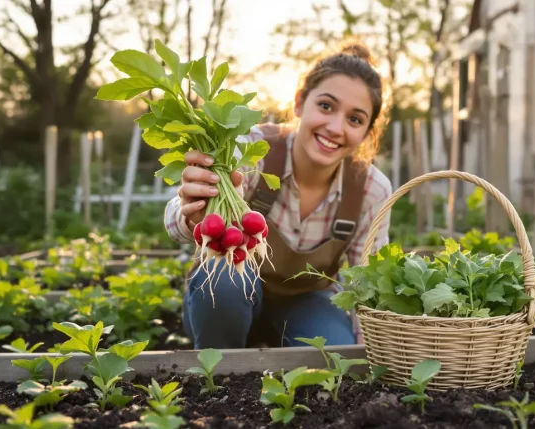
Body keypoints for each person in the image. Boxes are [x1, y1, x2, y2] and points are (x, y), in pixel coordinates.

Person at [164, 41, 393, 350]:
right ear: (300, 103)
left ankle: (280, 347)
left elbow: (365, 285)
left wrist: (374, 357)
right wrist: (192, 215)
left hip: (307, 306)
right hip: (224, 304)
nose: (336, 127)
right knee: (225, 278)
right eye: (326, 106)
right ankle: (218, 378)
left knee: (334, 351)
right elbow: (173, 220)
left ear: (366, 132)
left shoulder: (370, 189)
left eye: (355, 119)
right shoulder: (250, 149)